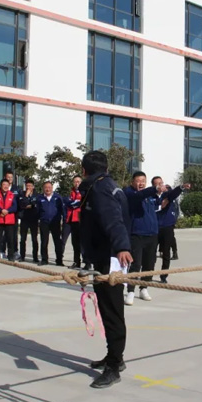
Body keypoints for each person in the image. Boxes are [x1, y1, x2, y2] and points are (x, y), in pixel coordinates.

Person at [79, 150, 133, 389]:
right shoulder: (106, 185)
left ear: (84, 170)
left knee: (112, 313)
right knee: (108, 310)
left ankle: (114, 366)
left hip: (111, 259)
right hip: (106, 256)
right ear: (106, 168)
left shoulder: (100, 189)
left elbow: (113, 219)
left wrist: (121, 247)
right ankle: (114, 356)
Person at [153, 178, 183, 284]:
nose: (161, 185)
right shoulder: (151, 196)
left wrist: (181, 187)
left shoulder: (168, 195)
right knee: (151, 253)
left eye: (162, 183)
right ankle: (147, 274)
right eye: (158, 184)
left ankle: (164, 276)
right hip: (154, 227)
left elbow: (173, 193)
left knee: (166, 253)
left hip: (167, 227)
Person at [37, 181, 65, 266]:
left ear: (52, 188)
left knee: (57, 242)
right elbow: (37, 211)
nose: (47, 189)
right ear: (43, 189)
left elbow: (62, 210)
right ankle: (44, 259)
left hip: (55, 222)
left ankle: (59, 260)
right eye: (46, 187)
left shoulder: (58, 197)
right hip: (44, 222)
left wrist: (63, 220)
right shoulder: (40, 198)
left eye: (49, 187)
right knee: (44, 241)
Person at [0, 179, 18, 260]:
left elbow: (14, 207)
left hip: (9, 220)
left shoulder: (12, 195)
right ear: (1, 185)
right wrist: (1, 211)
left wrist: (7, 211)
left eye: (7, 185)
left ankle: (10, 256)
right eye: (4, 185)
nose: (6, 186)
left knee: (10, 239)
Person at [62, 175, 84, 268]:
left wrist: (74, 203)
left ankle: (87, 262)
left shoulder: (84, 192)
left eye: (78, 181)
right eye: (75, 181)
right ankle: (76, 261)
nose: (77, 183)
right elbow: (67, 202)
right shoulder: (70, 192)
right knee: (74, 243)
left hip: (79, 220)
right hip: (70, 219)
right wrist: (74, 203)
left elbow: (80, 203)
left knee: (82, 243)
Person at [17, 179, 39, 263]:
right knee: (23, 239)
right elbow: (22, 205)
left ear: (33, 187)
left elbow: (36, 205)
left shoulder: (37, 195)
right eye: (27, 186)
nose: (28, 187)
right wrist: (26, 196)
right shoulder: (22, 194)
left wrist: (30, 205)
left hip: (33, 219)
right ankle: (22, 256)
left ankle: (35, 257)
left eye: (30, 186)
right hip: (24, 219)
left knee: (34, 239)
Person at [1, 171, 21, 258]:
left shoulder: (17, 189)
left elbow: (19, 202)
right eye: (8, 177)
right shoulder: (0, 188)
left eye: (11, 177)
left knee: (13, 235)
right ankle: (2, 251)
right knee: (3, 235)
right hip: (2, 215)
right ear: (5, 178)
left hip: (13, 215)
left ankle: (14, 251)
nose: (9, 179)